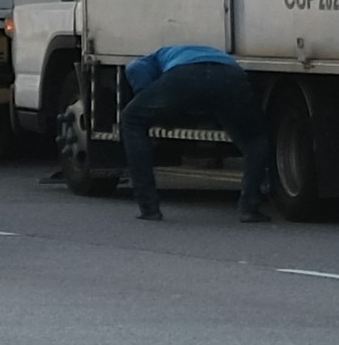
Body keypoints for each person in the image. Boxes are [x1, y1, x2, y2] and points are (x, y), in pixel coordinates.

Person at [112, 40, 282, 224]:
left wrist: (146, 97)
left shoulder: (150, 59)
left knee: (132, 120)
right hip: (230, 76)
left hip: (184, 77)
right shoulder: (203, 52)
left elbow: (135, 69)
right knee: (254, 138)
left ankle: (149, 207)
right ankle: (250, 207)